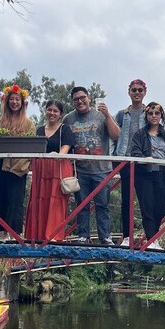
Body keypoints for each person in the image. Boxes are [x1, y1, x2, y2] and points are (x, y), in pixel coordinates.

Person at [63, 86, 120, 244]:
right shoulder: (68, 119)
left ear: (89, 97)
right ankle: (83, 236)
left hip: (101, 169)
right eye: (76, 99)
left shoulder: (101, 115)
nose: (80, 101)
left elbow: (116, 135)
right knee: (82, 205)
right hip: (80, 170)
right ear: (73, 102)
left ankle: (105, 237)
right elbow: (65, 142)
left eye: (82, 98)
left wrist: (107, 115)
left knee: (102, 205)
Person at [0, 84, 36, 239]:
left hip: (18, 166)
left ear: (22, 102)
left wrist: (26, 164)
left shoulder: (28, 123)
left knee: (15, 200)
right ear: (7, 102)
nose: (14, 102)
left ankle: (14, 233)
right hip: (1, 164)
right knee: (0, 198)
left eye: (17, 99)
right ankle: (3, 233)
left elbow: (32, 145)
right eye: (12, 99)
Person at [128, 102, 165, 250]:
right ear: (146, 116)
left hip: (162, 174)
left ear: (161, 115)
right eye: (150, 113)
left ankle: (153, 238)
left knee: (160, 208)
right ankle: (151, 240)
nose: (154, 116)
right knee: (147, 207)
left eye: (157, 113)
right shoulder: (140, 134)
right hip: (145, 174)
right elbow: (135, 151)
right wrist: (145, 158)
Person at [24, 100, 76, 241]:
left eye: (55, 111)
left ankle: (53, 235)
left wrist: (57, 155)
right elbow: (33, 149)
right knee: (38, 199)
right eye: (49, 110)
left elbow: (65, 149)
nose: (52, 113)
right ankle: (36, 234)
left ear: (60, 114)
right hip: (41, 168)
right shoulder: (39, 130)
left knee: (56, 201)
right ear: (45, 111)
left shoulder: (65, 129)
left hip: (58, 167)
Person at [113, 79, 147, 247]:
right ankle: (127, 236)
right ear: (129, 92)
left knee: (145, 199)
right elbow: (115, 136)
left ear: (144, 92)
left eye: (140, 90)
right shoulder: (121, 114)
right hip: (125, 159)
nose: (137, 93)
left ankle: (150, 237)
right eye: (134, 90)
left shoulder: (150, 112)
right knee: (126, 199)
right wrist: (114, 157)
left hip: (143, 161)